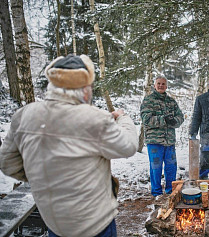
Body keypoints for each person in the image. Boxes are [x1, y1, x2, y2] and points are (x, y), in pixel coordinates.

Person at [0, 54, 138, 237]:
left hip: (55, 224)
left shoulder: (24, 115)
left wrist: (47, 177)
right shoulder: (94, 118)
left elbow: (8, 163)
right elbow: (128, 146)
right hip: (96, 225)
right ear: (85, 88)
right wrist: (122, 117)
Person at [140, 76, 184, 197]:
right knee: (156, 168)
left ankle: (170, 192)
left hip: (169, 141)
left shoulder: (171, 101)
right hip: (154, 141)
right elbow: (146, 119)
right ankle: (157, 194)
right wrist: (163, 120)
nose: (161, 86)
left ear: (166, 86)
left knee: (171, 167)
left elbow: (180, 117)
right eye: (158, 83)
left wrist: (173, 121)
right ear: (154, 85)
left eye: (163, 84)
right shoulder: (148, 100)